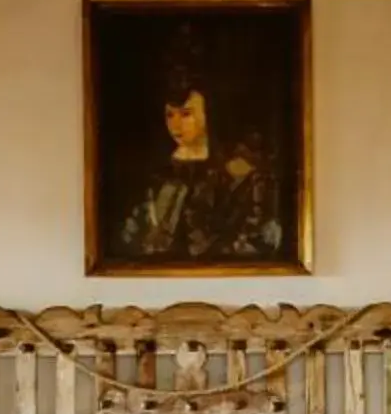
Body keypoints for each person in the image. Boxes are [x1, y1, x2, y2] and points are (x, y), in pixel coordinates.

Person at [116, 46, 286, 264]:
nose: (176, 125)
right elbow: (134, 234)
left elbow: (261, 236)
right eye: (170, 115)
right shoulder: (158, 173)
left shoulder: (239, 170)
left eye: (186, 114)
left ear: (208, 111)